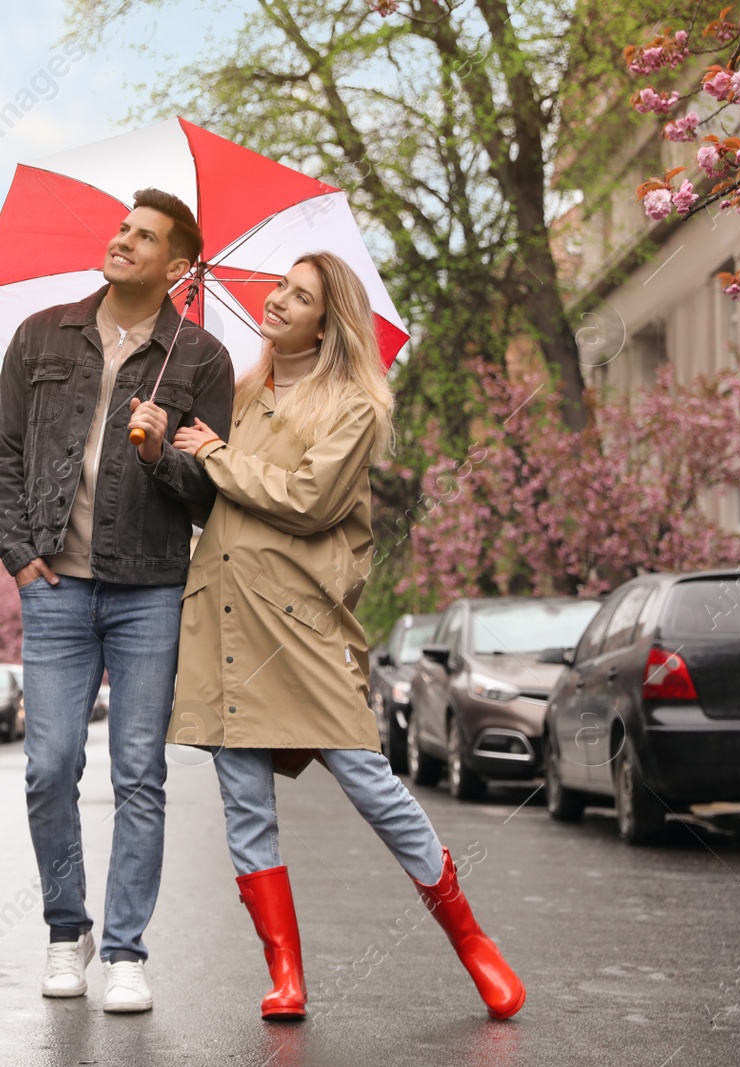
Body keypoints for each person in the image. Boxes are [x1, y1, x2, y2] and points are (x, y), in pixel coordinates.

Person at [133, 251, 525, 1022]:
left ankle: (474, 942)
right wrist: (156, 449)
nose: (278, 299)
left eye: (299, 295)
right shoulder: (236, 392)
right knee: (243, 800)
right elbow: (209, 503)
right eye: (279, 286)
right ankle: (284, 973)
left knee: (371, 782)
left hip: (302, 624)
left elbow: (309, 501)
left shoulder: (353, 404)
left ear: (327, 317)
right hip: (225, 613)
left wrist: (215, 453)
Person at [0, 188, 234, 1012]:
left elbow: (209, 497)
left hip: (150, 588)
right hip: (55, 582)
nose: (123, 241)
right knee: (49, 767)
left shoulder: (200, 358)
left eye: (145, 236)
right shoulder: (41, 334)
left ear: (179, 265)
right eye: (123, 228)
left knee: (139, 774)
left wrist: (165, 450)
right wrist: (19, 557)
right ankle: (67, 931)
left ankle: (125, 950)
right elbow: (4, 452)